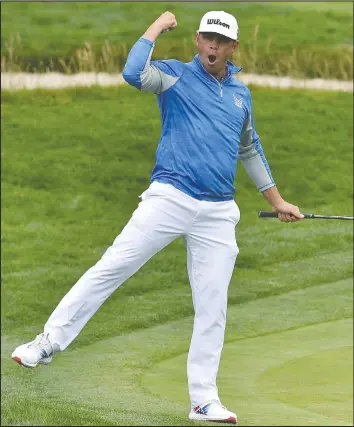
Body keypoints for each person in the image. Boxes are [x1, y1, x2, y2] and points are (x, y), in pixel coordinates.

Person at [11, 10, 304, 424]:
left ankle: (203, 400)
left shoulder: (241, 95)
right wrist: (156, 27)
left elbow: (249, 149)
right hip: (170, 197)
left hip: (218, 212)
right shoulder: (174, 76)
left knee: (212, 306)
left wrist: (277, 201)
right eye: (206, 38)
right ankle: (46, 342)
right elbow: (134, 73)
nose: (213, 47)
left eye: (221, 41)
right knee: (113, 266)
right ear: (197, 41)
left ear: (233, 47)